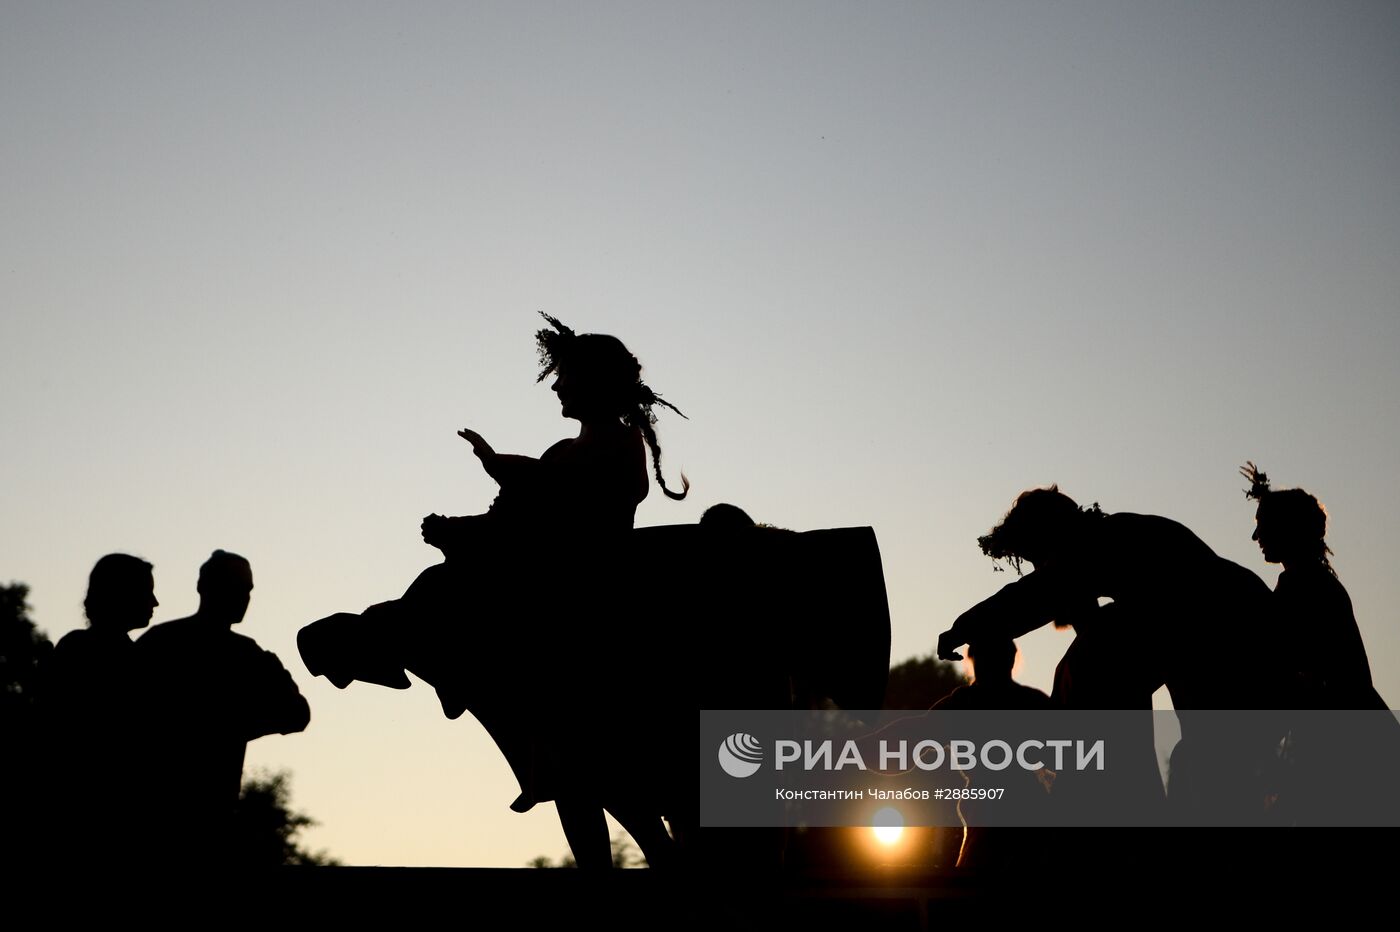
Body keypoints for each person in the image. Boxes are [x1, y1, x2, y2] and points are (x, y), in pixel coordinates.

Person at [299, 314, 689, 867]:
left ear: (595, 382)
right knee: (565, 768)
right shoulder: (561, 453)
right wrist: (461, 527)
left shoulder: (618, 447)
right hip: (539, 613)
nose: (557, 386)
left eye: (566, 375)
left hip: (578, 620)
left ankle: (660, 861)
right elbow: (514, 522)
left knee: (578, 761)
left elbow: (564, 518)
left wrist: (504, 474)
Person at [936, 486, 1282, 824]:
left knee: (1215, 771)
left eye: (1037, 558)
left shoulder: (1099, 545)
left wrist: (962, 629)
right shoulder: (1118, 544)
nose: (1040, 568)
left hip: (1237, 640)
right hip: (1235, 638)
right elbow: (1060, 600)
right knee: (1211, 769)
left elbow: (1034, 596)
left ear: (1049, 536)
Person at [138, 550, 310, 859]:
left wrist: (237, 727)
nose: (244, 597)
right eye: (236, 587)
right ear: (205, 588)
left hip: (216, 817)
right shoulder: (162, 644)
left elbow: (298, 713)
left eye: (248, 590)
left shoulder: (248, 654)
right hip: (154, 813)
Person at [44, 554, 159, 863]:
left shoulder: (76, 649)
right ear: (122, 594)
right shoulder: (112, 658)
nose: (155, 602)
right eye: (146, 592)